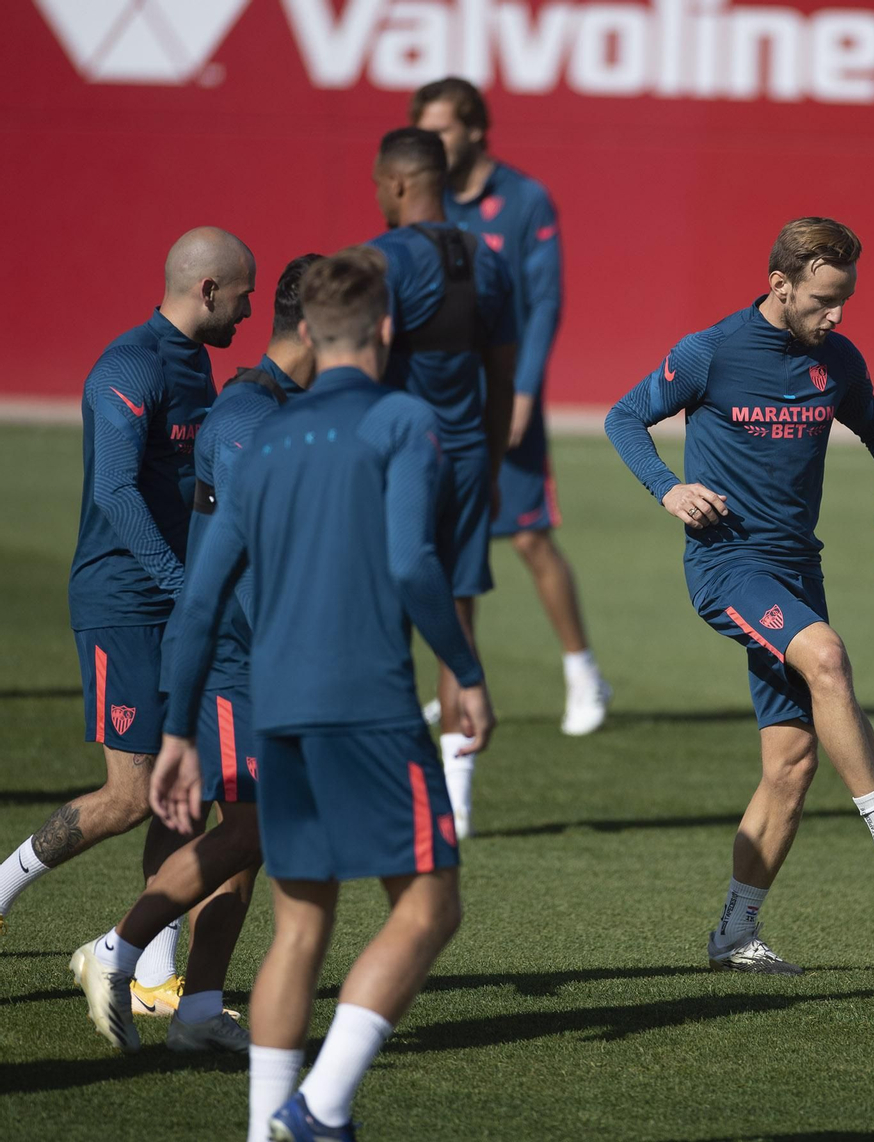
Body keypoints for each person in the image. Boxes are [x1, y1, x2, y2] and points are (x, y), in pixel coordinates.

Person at [147, 247, 494, 1141]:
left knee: (302, 921)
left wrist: (179, 730)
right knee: (429, 905)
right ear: (385, 330)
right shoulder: (404, 421)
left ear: (306, 330)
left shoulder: (257, 439)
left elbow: (199, 600)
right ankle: (324, 1105)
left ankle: (268, 1127)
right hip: (370, 705)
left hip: (279, 709)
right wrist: (466, 668)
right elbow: (415, 562)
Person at [605, 218, 874, 976]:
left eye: (844, 300)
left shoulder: (837, 360)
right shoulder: (710, 352)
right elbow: (623, 417)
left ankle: (735, 934)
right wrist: (669, 488)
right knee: (829, 659)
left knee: (792, 763)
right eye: (822, 300)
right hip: (727, 566)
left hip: (796, 570)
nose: (835, 316)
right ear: (781, 285)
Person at [69, 254, 323, 1054]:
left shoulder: (265, 401)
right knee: (206, 815)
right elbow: (236, 550)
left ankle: (197, 1003)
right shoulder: (238, 413)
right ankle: (117, 950)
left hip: (248, 646)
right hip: (223, 650)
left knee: (250, 830)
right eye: (367, 324)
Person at [0, 228, 254, 1020]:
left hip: (181, 605)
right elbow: (115, 491)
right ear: (207, 290)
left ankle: (149, 977)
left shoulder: (200, 363)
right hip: (121, 602)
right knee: (133, 794)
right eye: (242, 293)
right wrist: (185, 585)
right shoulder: (127, 367)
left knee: (194, 794)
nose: (248, 309)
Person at [411, 76, 612, 738]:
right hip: (441, 399)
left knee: (527, 535)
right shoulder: (428, 199)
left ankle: (583, 672)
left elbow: (545, 301)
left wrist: (523, 389)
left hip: (504, 392)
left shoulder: (524, 200)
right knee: (443, 544)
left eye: (442, 129)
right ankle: (456, 679)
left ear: (474, 129)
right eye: (425, 130)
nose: (432, 142)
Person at [370, 126, 518, 839]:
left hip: (396, 460)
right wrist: (489, 465)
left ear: (398, 184)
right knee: (456, 618)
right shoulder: (488, 259)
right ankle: (453, 799)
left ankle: (390, 787)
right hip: (463, 460)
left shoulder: (378, 260)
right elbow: (504, 375)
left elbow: (352, 368)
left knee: (384, 619)